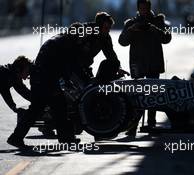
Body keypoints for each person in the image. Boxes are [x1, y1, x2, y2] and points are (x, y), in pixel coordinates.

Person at [7, 12, 124, 148]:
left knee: (56, 107)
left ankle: (64, 139)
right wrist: (87, 81)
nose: (82, 40)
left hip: (44, 76)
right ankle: (61, 138)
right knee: (48, 107)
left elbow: (67, 67)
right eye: (80, 38)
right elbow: (72, 66)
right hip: (45, 78)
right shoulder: (68, 44)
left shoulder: (64, 40)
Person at [119, 0, 172, 136]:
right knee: (136, 96)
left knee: (153, 94)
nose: (143, 10)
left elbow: (166, 39)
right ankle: (133, 126)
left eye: (145, 8)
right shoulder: (131, 23)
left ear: (149, 8)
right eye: (141, 8)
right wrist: (131, 30)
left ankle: (151, 123)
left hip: (153, 62)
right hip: (138, 64)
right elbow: (122, 42)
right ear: (138, 8)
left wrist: (155, 30)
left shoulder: (158, 21)